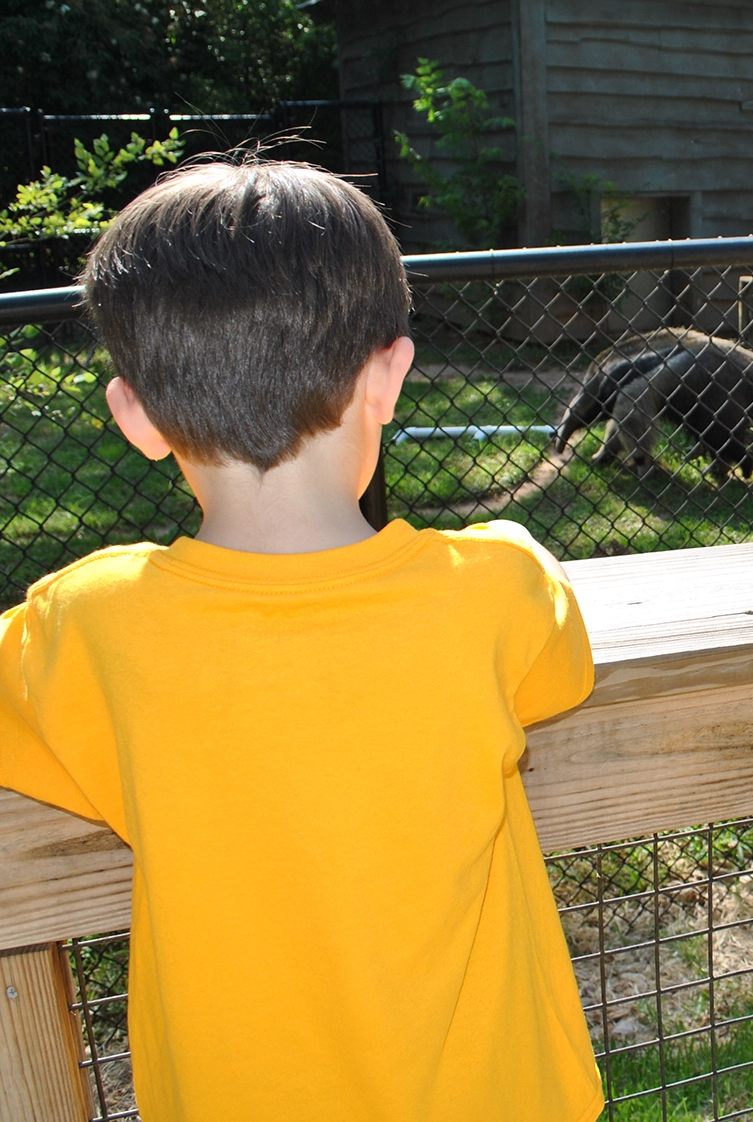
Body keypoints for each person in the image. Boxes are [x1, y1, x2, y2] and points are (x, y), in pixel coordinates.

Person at [0, 161, 602, 1122]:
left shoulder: (85, 624)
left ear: (136, 418)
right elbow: (556, 655)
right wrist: (515, 538)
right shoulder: (495, 591)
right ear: (390, 376)